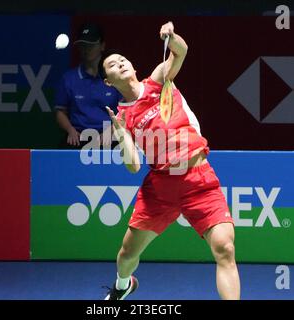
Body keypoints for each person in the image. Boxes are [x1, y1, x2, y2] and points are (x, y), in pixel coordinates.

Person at [100, 21, 240, 300]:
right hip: (160, 188)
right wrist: (119, 132)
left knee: (225, 248)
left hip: (197, 178)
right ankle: (123, 284)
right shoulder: (122, 117)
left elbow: (181, 51)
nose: (120, 63)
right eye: (113, 65)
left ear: (133, 67)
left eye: (122, 59)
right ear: (108, 81)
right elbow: (133, 166)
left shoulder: (158, 79)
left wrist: (172, 37)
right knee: (127, 254)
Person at [55, 22, 121, 149]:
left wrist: (111, 131)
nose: (86, 49)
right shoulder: (69, 78)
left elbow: (126, 112)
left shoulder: (115, 77)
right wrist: (70, 130)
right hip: (79, 136)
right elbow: (60, 112)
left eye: (91, 45)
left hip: (110, 135)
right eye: (83, 45)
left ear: (102, 46)